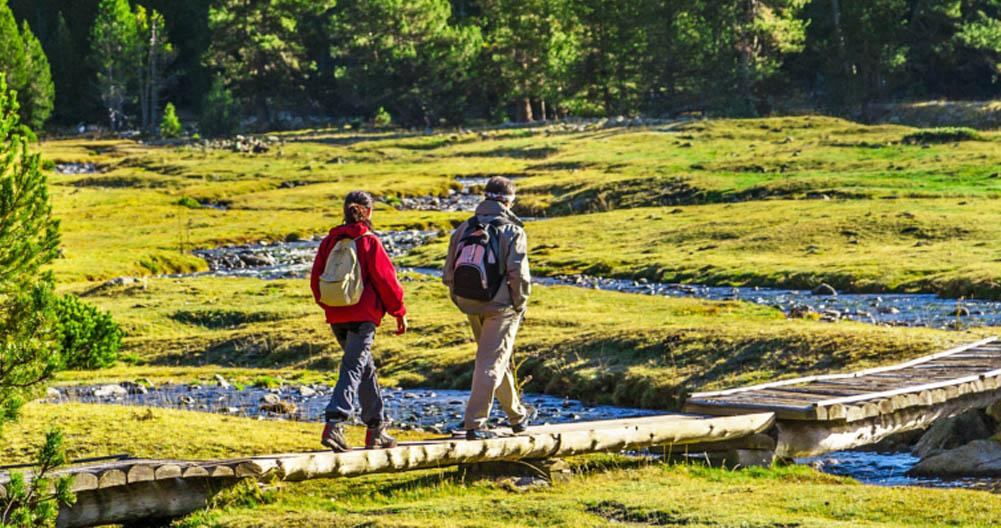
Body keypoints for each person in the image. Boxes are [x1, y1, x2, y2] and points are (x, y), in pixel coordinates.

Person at [310, 190, 408, 452]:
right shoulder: (369, 242)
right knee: (354, 367)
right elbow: (387, 282)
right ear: (369, 212)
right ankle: (335, 422)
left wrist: (331, 307)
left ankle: (376, 428)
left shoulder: (329, 241)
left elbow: (315, 280)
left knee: (364, 368)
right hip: (363, 317)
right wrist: (398, 312)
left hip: (337, 315)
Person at [443, 176, 532, 440]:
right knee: (490, 363)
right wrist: (520, 304)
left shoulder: (463, 228)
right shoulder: (513, 231)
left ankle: (517, 417)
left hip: (470, 303)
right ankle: (475, 424)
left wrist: (461, 301)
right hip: (501, 306)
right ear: (508, 201)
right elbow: (519, 275)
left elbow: (448, 273)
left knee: (494, 358)